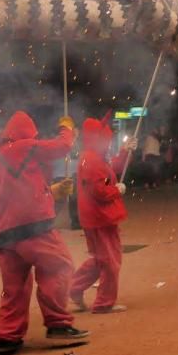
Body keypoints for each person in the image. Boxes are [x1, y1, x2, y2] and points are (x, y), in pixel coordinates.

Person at [0, 110, 88, 355]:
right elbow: (62, 146)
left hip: (5, 234)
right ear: (27, 133)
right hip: (34, 228)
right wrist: (66, 128)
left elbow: (18, 192)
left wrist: (51, 191)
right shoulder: (24, 146)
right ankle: (58, 325)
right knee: (59, 266)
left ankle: (7, 337)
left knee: (16, 286)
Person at [70, 112, 133, 313]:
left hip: (94, 218)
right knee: (110, 261)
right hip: (100, 218)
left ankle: (74, 288)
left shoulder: (91, 157)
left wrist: (124, 152)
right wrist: (117, 189)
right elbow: (99, 190)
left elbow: (107, 174)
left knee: (100, 260)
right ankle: (104, 303)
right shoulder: (93, 160)